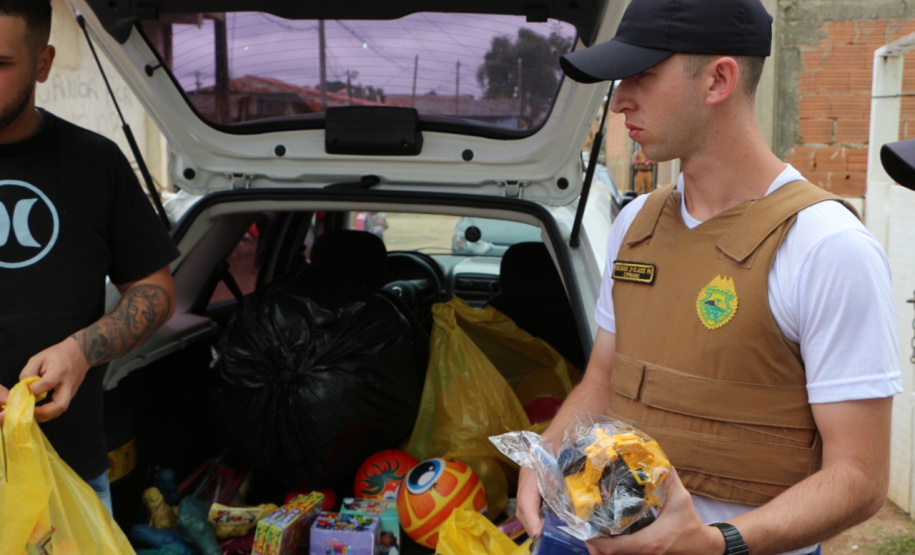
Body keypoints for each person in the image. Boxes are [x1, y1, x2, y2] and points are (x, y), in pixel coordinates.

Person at [516, 1, 903, 554]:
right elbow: (603, 378)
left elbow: (859, 480)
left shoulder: (826, 247)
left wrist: (716, 543)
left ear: (719, 79)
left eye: (642, 74)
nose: (620, 98)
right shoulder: (634, 224)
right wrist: (546, 456)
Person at [0, 0, 179, 514]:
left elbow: (155, 291)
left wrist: (82, 352)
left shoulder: (95, 162)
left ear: (43, 63)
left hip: (70, 478)